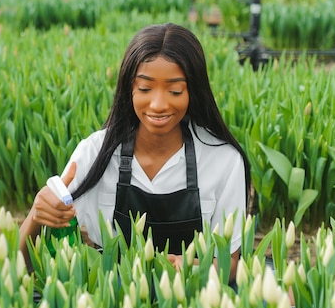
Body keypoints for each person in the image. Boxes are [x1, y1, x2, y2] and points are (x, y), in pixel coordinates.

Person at [19, 23, 251, 281]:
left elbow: (230, 262)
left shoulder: (223, 160)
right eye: (145, 89)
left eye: (175, 90)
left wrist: (196, 267)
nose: (159, 104)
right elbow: (24, 265)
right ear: (129, 88)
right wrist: (36, 216)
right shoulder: (96, 152)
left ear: (193, 92)